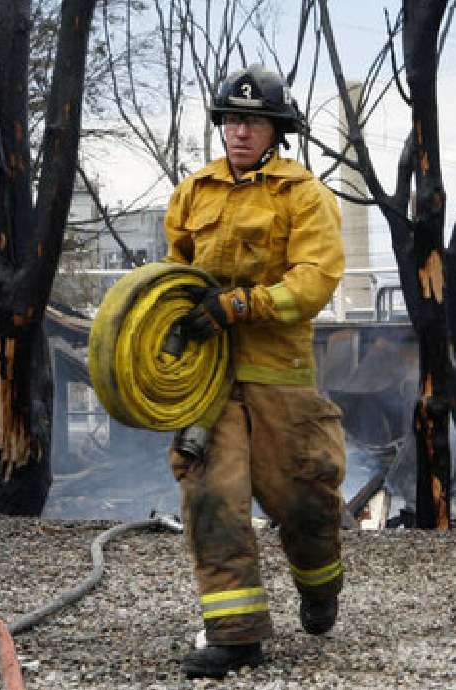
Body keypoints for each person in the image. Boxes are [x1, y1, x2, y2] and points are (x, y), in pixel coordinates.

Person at [161, 64, 347, 679]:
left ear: (277, 130)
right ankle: (236, 634)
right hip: (210, 379)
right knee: (211, 496)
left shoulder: (303, 196)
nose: (241, 131)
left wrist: (242, 304)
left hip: (279, 375)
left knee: (303, 502)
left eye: (255, 121)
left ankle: (320, 590)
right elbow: (174, 276)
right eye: (233, 119)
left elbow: (314, 282)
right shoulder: (194, 193)